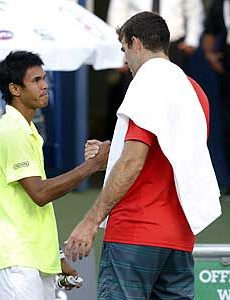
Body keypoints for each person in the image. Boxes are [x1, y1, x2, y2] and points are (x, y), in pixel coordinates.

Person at [65, 12, 221, 300]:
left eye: (124, 49)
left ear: (135, 43)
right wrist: (111, 155)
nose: (125, 60)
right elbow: (170, 153)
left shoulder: (146, 81)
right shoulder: (195, 90)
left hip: (135, 233)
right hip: (179, 237)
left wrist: (89, 222)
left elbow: (133, 161)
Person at [0, 50, 110, 300]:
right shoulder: (10, 131)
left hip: (33, 261)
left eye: (44, 79)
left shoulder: (25, 130)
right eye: (36, 80)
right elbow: (40, 194)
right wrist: (92, 165)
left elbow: (34, 210)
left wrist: (57, 258)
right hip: (15, 263)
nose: (45, 85)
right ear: (15, 89)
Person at [105, 0, 204, 139]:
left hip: (173, 45)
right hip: (135, 47)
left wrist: (191, 40)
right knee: (133, 103)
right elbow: (117, 13)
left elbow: (194, 9)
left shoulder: (191, 92)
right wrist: (119, 53)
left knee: (170, 100)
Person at [202, 0, 230, 174]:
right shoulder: (219, 3)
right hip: (228, 63)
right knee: (228, 120)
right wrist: (209, 54)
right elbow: (210, 30)